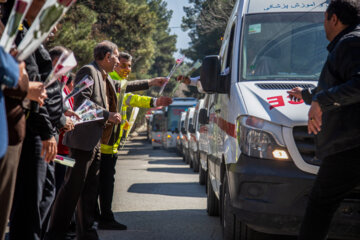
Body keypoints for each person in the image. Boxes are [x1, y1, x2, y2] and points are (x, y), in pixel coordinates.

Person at [286, 1, 360, 239]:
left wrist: (322, 100)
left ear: (335, 19)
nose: (323, 25)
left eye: (324, 18)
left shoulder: (350, 43)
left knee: (320, 205)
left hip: (350, 145)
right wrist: (310, 96)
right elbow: (342, 84)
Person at [9, 0, 67, 238]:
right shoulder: (17, 32)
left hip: (39, 129)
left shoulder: (29, 35)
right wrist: (46, 132)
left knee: (43, 194)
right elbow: (34, 85)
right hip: (31, 130)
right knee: (29, 203)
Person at [98, 52, 172, 230]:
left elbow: (131, 99)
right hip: (103, 144)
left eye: (129, 66)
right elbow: (130, 96)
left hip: (110, 144)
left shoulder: (118, 81)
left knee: (101, 183)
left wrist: (155, 101)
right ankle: (103, 218)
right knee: (103, 183)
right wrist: (153, 88)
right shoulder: (111, 79)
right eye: (123, 65)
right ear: (114, 64)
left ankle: (96, 218)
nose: (127, 69)